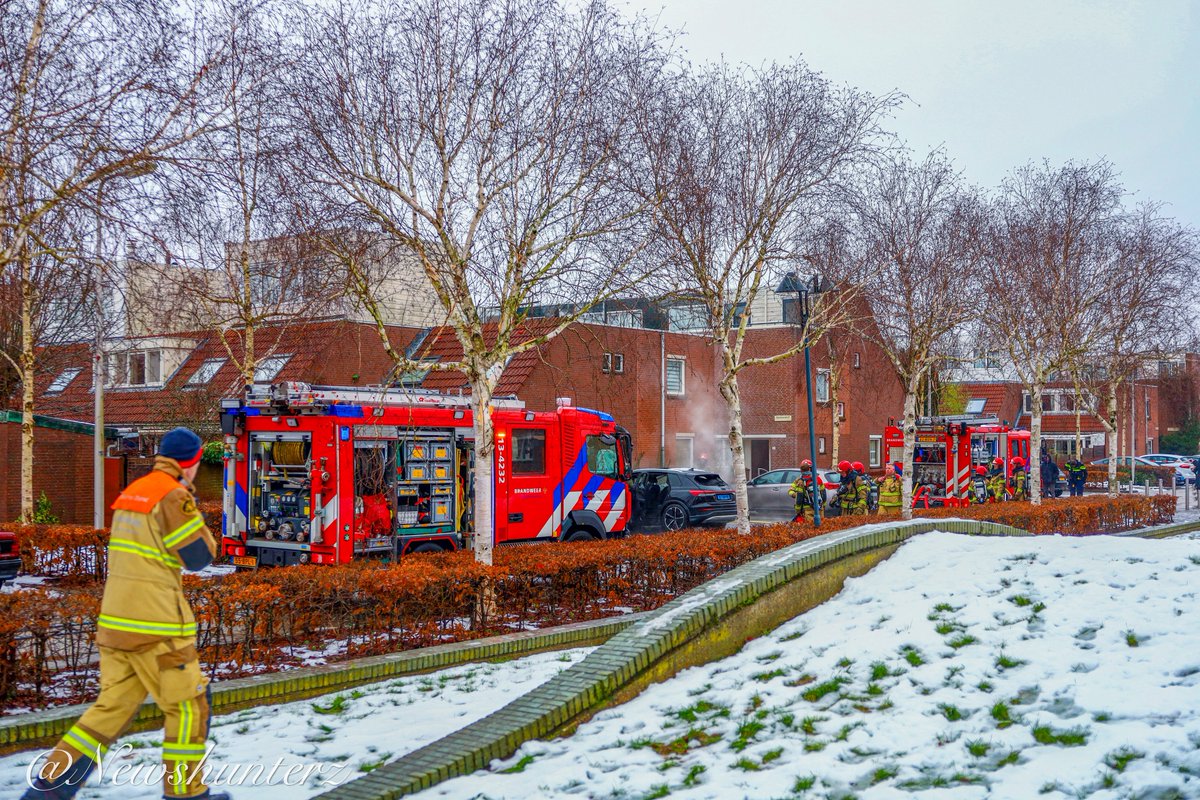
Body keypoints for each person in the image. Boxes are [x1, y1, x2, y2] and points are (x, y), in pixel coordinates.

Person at [24, 428, 227, 800]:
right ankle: (186, 793)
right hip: (156, 627)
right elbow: (199, 556)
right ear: (192, 462)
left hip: (116, 624)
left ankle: (48, 790)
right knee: (189, 708)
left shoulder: (134, 492)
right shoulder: (173, 495)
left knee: (109, 710)